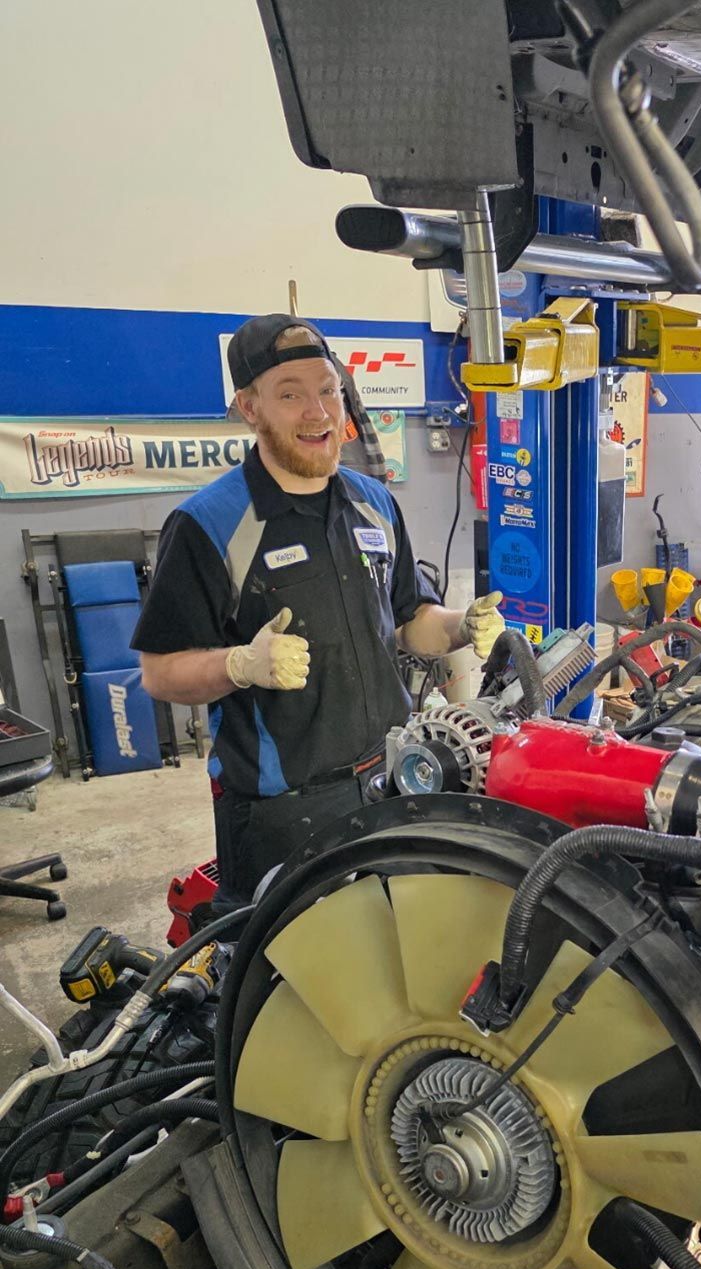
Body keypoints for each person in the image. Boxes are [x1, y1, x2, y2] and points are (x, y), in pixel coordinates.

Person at [133, 313, 504, 906]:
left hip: (393, 778)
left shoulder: (375, 504)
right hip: (281, 814)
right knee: (287, 987)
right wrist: (238, 666)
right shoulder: (208, 524)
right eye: (291, 395)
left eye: (328, 390)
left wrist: (459, 626)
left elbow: (411, 622)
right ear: (249, 408)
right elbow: (159, 672)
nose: (319, 411)